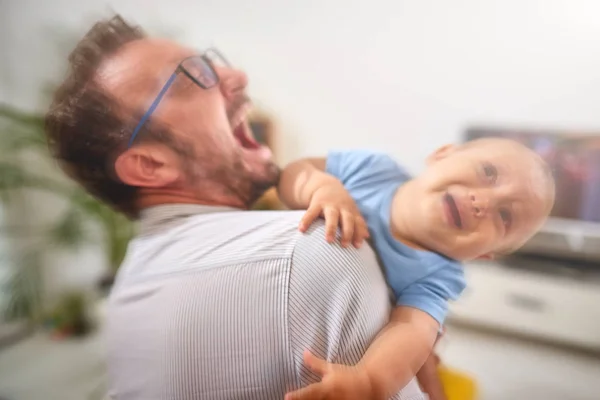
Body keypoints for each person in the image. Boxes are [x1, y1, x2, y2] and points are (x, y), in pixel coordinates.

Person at [43, 14, 426, 400]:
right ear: (151, 164)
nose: (238, 75)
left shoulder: (128, 291)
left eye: (209, 62)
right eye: (190, 76)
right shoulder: (315, 248)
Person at [277, 138, 556, 399]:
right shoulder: (372, 170)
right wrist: (321, 187)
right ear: (443, 153)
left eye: (505, 216)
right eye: (488, 173)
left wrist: (368, 380)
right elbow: (294, 171)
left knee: (427, 367)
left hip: (338, 345)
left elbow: (411, 330)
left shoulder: (438, 273)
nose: (482, 202)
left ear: (483, 254)